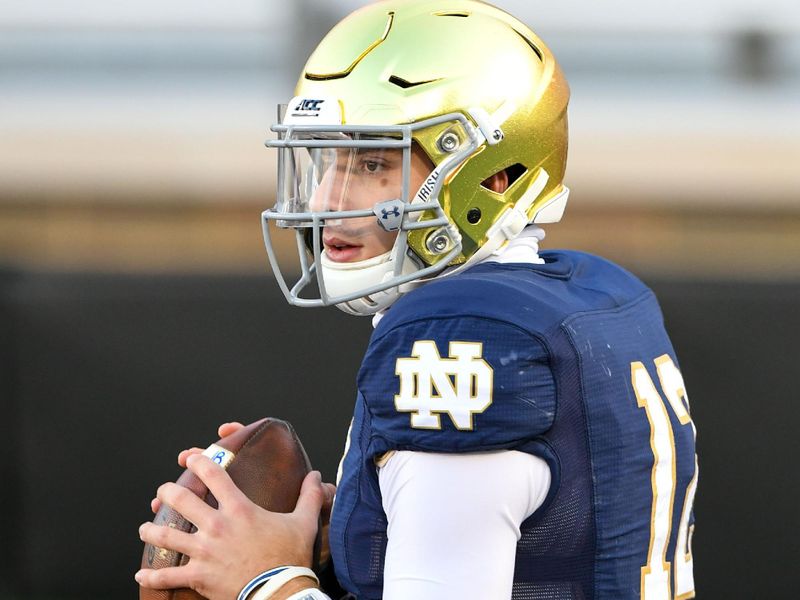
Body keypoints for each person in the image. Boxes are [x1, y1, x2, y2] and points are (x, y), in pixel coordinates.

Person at [137, 1, 699, 599]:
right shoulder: (587, 297)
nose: (327, 199)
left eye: (373, 162)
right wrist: (364, 526)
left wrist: (266, 582)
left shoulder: (465, 338)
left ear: (492, 177)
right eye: (326, 160)